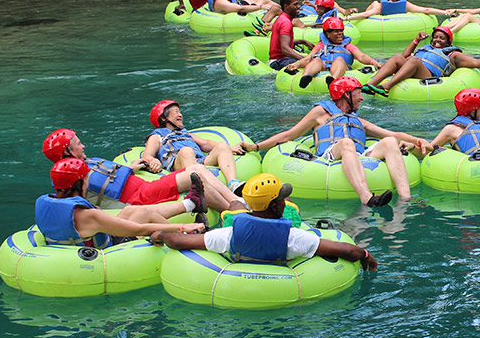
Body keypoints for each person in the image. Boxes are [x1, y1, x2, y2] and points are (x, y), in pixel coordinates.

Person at [242, 77, 431, 207]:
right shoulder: (320, 113)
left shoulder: (357, 120)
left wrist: (418, 140)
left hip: (357, 155)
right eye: (358, 94)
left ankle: (406, 199)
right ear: (346, 95)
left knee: (389, 141)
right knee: (347, 143)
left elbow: (393, 134)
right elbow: (288, 135)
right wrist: (256, 147)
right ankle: (367, 198)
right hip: (330, 155)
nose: (362, 98)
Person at [150, 174, 377, 271]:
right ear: (276, 206)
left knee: (235, 207)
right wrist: (366, 255)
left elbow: (179, 241)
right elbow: (347, 250)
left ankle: (234, 200)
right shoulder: (294, 238)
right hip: (283, 265)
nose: (284, 202)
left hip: (238, 253)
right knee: (237, 208)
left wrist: (161, 235)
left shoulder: (229, 235)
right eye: (282, 200)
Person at [42, 128, 241, 212]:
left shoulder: (85, 164)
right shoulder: (68, 177)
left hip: (145, 187)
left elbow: (107, 179)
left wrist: (129, 168)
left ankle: (235, 206)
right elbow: (78, 200)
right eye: (78, 144)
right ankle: (235, 208)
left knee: (197, 174)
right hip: (140, 197)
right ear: (67, 151)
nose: (83, 146)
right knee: (194, 172)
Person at [36, 158, 206, 249]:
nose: (88, 182)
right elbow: (139, 229)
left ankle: (190, 205)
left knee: (131, 211)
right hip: (107, 251)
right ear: (78, 183)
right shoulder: (88, 215)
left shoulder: (43, 202)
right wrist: (182, 226)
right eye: (87, 179)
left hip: (72, 245)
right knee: (144, 214)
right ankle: (188, 237)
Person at [362, 26, 480, 97]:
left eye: (442, 38)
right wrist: (416, 40)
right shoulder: (426, 48)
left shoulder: (452, 54)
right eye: (435, 37)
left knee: (414, 61)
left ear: (448, 42)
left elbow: (476, 63)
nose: (437, 40)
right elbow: (403, 56)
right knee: (397, 56)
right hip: (412, 67)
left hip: (428, 75)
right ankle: (370, 85)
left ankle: (387, 87)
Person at [141, 100, 246, 191]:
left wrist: (229, 148)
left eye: (180, 112)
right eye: (176, 112)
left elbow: (205, 143)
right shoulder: (157, 136)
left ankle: (232, 183)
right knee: (186, 151)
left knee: (222, 146)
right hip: (178, 164)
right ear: (163, 118)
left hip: (199, 161)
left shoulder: (185, 133)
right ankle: (202, 189)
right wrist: (153, 161)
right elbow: (146, 155)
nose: (180, 115)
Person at [284, 17, 382, 89]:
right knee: (316, 59)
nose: (340, 34)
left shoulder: (347, 45)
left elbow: (361, 56)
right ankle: (306, 77)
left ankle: (333, 79)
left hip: (342, 68)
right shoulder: (321, 45)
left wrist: (374, 62)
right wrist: (296, 65)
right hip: (324, 66)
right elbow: (308, 58)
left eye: (341, 31)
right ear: (328, 34)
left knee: (339, 59)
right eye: (336, 31)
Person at [268, 0, 314, 71]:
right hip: (280, 61)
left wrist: (302, 41)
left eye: (298, 4)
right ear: (286, 6)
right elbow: (284, 48)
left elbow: (282, 41)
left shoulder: (281, 18)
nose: (299, 6)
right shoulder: (286, 22)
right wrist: (304, 59)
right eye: (295, 4)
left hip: (277, 60)